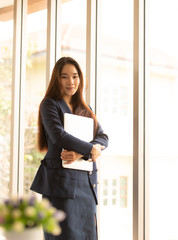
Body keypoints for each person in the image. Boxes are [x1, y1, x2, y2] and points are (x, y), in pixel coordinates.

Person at [30, 56, 109, 240]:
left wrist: (83, 152)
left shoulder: (85, 108)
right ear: (56, 79)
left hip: (86, 186)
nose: (71, 82)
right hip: (60, 186)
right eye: (64, 76)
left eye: (75, 76)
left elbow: (103, 138)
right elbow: (59, 136)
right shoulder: (49, 104)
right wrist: (90, 150)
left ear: (80, 79)